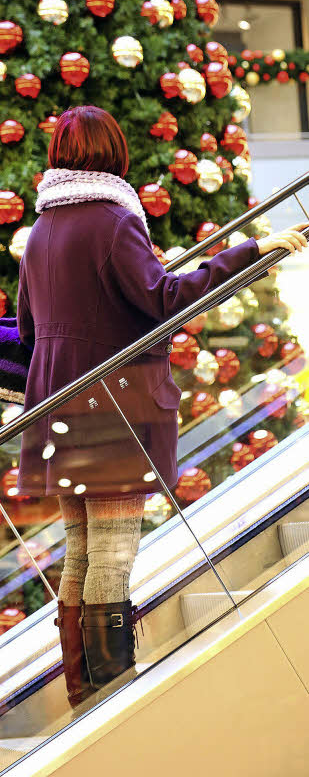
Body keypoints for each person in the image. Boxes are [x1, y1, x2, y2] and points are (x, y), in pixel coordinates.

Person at [16, 105, 307, 709]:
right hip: (113, 408)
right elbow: (163, 297)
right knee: (114, 551)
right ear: (112, 150)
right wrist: (252, 252)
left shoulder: (41, 230)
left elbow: (27, 325)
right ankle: (111, 686)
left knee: (82, 547)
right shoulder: (113, 220)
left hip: (55, 408)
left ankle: (81, 688)